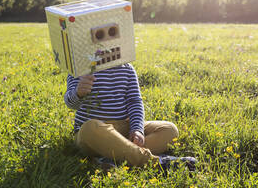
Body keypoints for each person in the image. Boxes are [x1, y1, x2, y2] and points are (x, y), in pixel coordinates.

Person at [64, 63, 196, 171]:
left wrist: (137, 129)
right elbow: (71, 103)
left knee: (170, 130)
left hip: (121, 128)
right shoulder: (79, 69)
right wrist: (78, 93)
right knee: (90, 128)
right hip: (94, 134)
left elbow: (134, 102)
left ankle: (111, 158)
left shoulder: (126, 68)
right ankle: (156, 162)